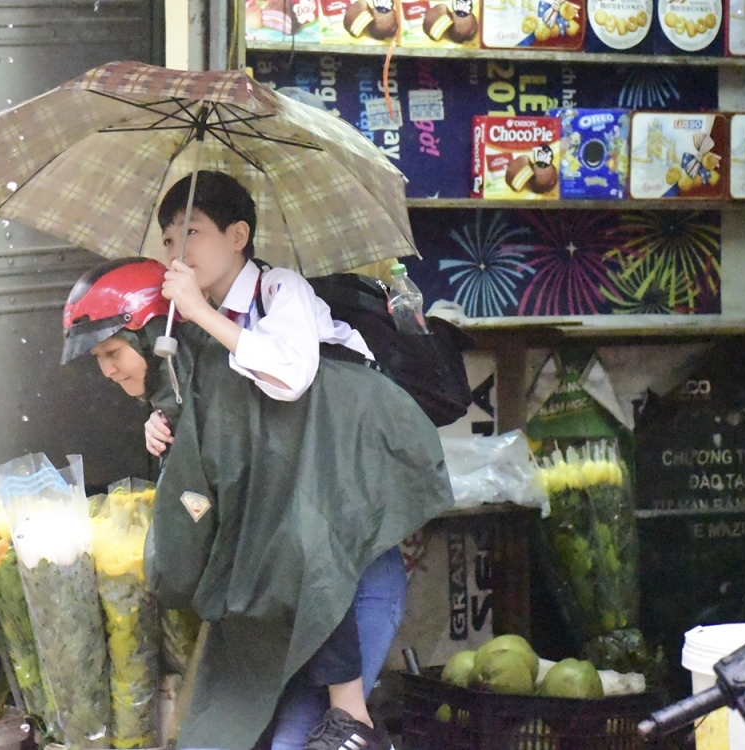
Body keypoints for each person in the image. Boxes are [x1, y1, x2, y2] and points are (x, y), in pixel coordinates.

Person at [61, 257, 454, 750]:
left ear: (153, 335)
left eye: (113, 351)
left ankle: (355, 719)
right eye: (97, 357)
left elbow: (306, 537)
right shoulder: (190, 395)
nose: (106, 370)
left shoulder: (241, 375)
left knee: (300, 741)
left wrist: (347, 707)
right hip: (288, 609)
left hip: (347, 592)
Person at [149, 171, 384, 750]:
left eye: (194, 232)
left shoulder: (280, 290)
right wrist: (162, 426)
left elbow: (288, 377)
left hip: (345, 462)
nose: (179, 251)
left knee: (301, 539)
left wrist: (200, 316)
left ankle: (352, 716)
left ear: (238, 236)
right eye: (170, 238)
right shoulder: (197, 315)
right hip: (283, 471)